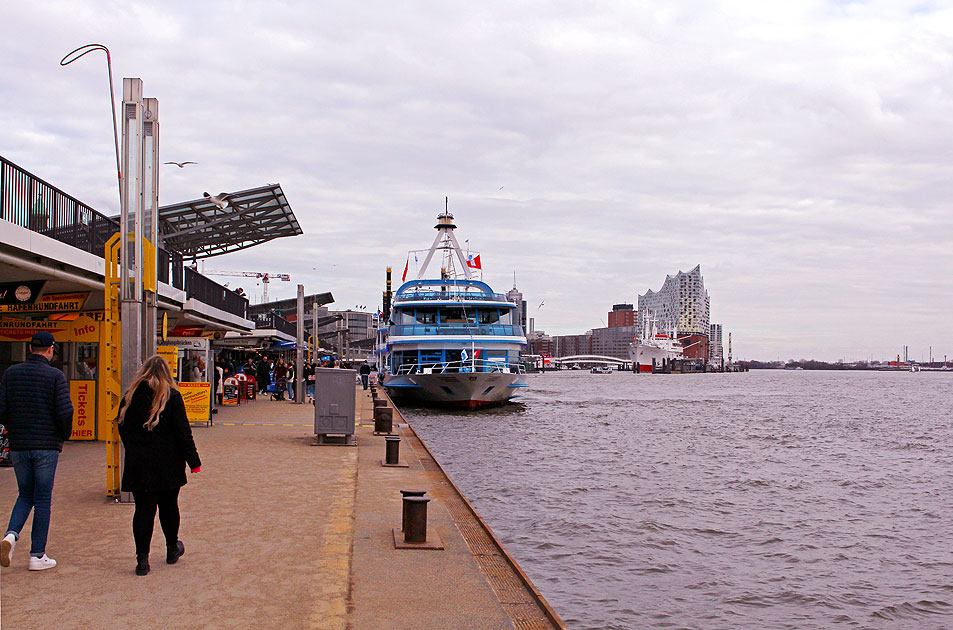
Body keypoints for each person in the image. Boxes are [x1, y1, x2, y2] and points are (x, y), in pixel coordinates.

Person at [117, 355, 201, 576]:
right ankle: (172, 548)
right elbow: (183, 433)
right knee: (169, 506)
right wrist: (194, 462)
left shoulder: (130, 397)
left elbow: (122, 428)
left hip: (139, 463)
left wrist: (135, 448)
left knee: (143, 510)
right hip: (168, 463)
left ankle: (142, 559)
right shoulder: (171, 396)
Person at [0, 331, 73, 571]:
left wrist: (15, 430)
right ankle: (37, 555)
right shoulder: (55, 376)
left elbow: (2, 410)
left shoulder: (11, 374)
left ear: (30, 349)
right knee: (42, 499)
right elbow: (64, 412)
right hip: (46, 445)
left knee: (25, 494)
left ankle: (11, 536)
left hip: (20, 445)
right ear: (51, 349)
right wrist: (62, 436)